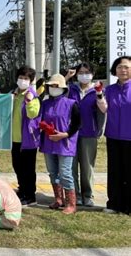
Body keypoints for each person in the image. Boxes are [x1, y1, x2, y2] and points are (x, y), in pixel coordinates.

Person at [39, 74, 81, 215]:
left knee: (65, 173)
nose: (53, 88)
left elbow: (77, 124)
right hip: (49, 143)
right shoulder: (44, 104)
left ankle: (71, 204)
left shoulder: (71, 103)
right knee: (52, 172)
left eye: (56, 86)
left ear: (63, 88)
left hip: (64, 143)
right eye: (51, 86)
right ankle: (59, 199)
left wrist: (65, 134)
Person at [65, 63, 105, 207]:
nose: (83, 75)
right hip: (71, 133)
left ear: (92, 74)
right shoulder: (71, 89)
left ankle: (87, 195)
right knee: (71, 166)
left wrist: (99, 130)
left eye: (87, 72)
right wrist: (67, 77)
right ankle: (74, 195)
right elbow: (57, 92)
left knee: (87, 167)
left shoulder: (98, 90)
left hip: (89, 133)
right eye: (80, 72)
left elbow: (102, 110)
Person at [97, 56, 131, 215]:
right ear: (115, 70)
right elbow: (104, 109)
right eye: (119, 67)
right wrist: (99, 95)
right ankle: (114, 204)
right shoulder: (110, 90)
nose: (123, 70)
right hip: (113, 136)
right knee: (115, 171)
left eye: (126, 67)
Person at [11, 66, 41, 207]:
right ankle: (22, 190)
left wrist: (28, 101)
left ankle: (30, 195)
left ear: (31, 81)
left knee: (28, 169)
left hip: (28, 140)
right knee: (17, 166)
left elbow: (32, 114)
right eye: (21, 77)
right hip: (14, 138)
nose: (23, 80)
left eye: (26, 78)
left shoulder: (32, 96)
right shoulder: (13, 95)